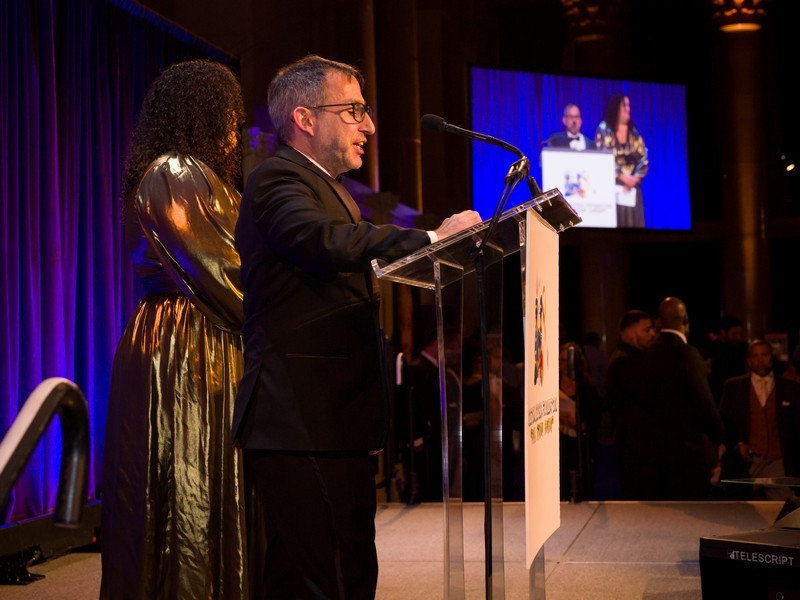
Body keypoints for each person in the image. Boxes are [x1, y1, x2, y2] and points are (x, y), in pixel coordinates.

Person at [232, 54, 481, 599]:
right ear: (304, 118)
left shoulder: (330, 188)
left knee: (304, 579)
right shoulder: (276, 179)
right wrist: (432, 239)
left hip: (328, 419)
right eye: (354, 111)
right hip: (300, 417)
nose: (368, 126)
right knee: (337, 578)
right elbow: (322, 241)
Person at [100, 61, 249, 599]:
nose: (236, 128)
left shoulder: (192, 174)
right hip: (187, 345)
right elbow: (223, 271)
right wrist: (292, 305)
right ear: (201, 114)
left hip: (197, 334)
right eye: (228, 113)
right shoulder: (175, 172)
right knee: (188, 481)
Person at [644, 297, 725, 500]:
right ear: (685, 320)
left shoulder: (649, 352)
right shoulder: (687, 353)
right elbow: (704, 402)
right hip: (691, 453)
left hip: (659, 451)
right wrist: (720, 435)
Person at [719, 339, 800, 500]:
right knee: (740, 506)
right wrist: (738, 443)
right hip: (748, 460)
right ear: (748, 360)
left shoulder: (790, 387)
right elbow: (723, 421)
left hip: (778, 460)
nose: (760, 360)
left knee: (787, 505)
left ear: (771, 357)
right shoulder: (734, 387)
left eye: (765, 355)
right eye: (755, 356)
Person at [605, 309, 657, 499]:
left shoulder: (633, 359)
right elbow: (650, 397)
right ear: (630, 333)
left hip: (638, 447)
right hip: (636, 450)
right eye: (647, 330)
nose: (653, 334)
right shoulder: (625, 362)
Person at [595, 93, 649, 228]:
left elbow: (643, 159)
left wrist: (634, 179)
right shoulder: (604, 130)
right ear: (615, 108)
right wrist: (622, 177)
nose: (628, 109)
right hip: (612, 189)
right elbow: (601, 159)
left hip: (632, 189)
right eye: (624, 105)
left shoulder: (634, 132)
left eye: (629, 105)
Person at [558, 341, 601, 502]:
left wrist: (576, 421)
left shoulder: (587, 389)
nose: (565, 365)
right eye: (562, 361)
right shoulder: (551, 387)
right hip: (559, 444)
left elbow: (594, 420)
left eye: (568, 361)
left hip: (581, 445)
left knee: (582, 489)